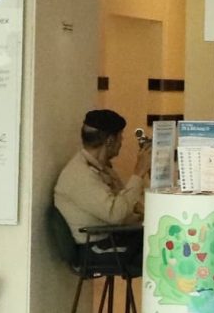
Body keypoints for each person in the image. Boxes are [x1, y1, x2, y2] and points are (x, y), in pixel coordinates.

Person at [54, 108, 147, 255]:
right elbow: (116, 214)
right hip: (96, 247)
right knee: (157, 247)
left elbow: (123, 203)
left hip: (112, 237)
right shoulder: (80, 175)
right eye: (120, 138)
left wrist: (142, 213)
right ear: (110, 141)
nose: (121, 143)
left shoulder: (101, 168)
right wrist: (139, 173)